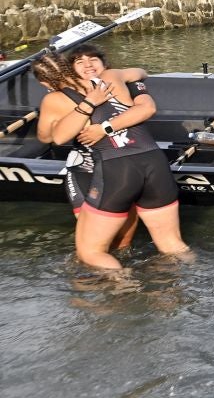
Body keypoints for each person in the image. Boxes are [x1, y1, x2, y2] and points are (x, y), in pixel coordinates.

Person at [48, 45, 190, 270]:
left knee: (90, 252)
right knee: (172, 244)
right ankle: (190, 286)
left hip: (115, 169)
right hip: (153, 163)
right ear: (71, 68)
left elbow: (55, 137)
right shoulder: (118, 78)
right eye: (80, 61)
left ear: (105, 65)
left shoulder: (69, 93)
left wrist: (98, 124)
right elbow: (141, 76)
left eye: (93, 59)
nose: (88, 65)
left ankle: (125, 294)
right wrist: (136, 83)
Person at [32, 51, 138, 254]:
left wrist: (59, 119)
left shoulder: (54, 99)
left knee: (91, 249)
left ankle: (108, 280)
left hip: (87, 168)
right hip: (125, 164)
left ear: (44, 83)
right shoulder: (109, 80)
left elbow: (46, 138)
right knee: (123, 243)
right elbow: (140, 73)